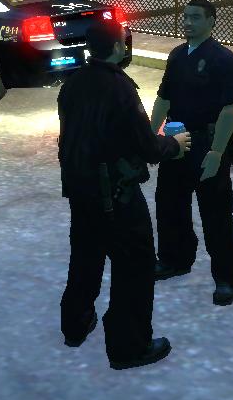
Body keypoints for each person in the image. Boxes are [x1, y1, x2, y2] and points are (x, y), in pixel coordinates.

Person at [56, 18, 193, 370]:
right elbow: (147, 147)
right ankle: (129, 348)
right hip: (118, 196)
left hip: (82, 192)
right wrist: (174, 144)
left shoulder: (73, 83)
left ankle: (75, 326)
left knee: (84, 260)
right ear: (118, 47)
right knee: (135, 268)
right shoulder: (120, 88)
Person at [149, 0, 233, 306]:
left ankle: (225, 278)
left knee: (215, 213)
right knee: (169, 204)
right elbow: (163, 98)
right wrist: (150, 135)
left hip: (206, 143)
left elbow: (231, 109)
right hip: (176, 141)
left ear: (211, 21)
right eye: (186, 17)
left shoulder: (223, 59)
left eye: (195, 18)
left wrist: (216, 152)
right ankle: (174, 259)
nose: (188, 22)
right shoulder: (177, 55)